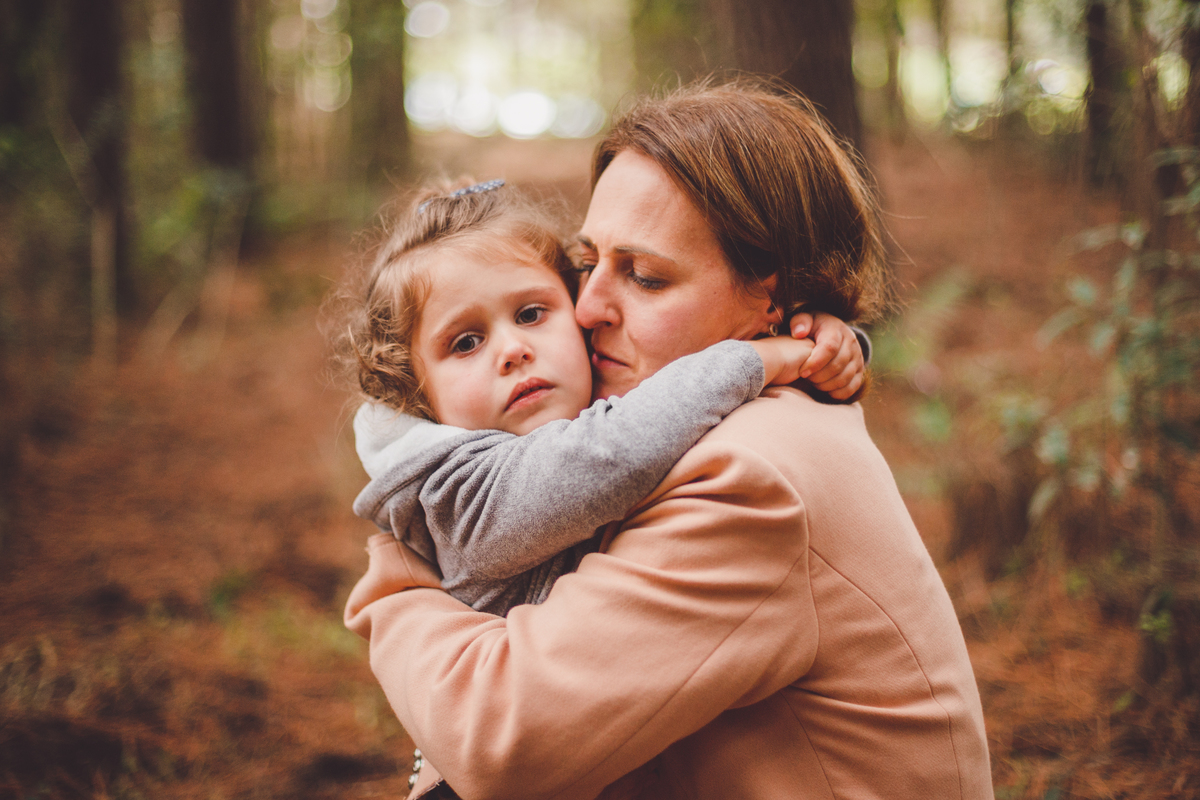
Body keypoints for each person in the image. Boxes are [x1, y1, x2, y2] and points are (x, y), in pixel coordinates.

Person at [345, 78, 993, 800]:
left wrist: (399, 590)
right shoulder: (717, 421)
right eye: (588, 264)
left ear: (772, 299)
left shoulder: (749, 480)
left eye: (646, 278)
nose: (586, 309)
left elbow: (499, 740)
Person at [342, 178, 867, 616]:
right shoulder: (454, 493)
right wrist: (760, 358)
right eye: (465, 343)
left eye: (531, 314)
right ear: (417, 393)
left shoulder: (608, 393)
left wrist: (815, 340)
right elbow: (608, 451)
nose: (513, 350)